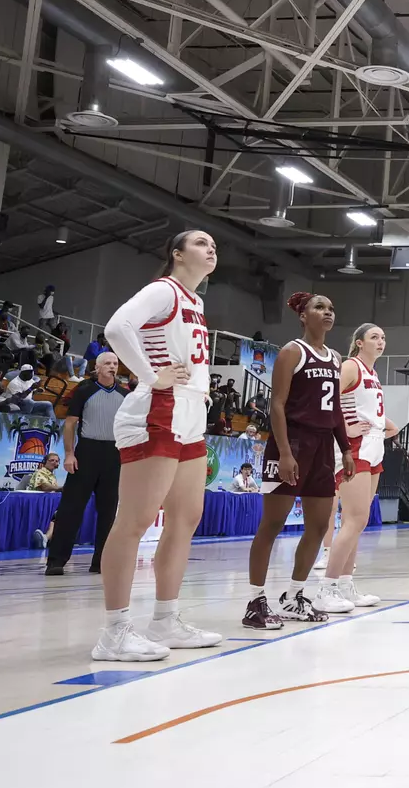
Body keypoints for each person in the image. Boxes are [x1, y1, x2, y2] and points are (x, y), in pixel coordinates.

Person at [94, 230, 224, 662]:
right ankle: (114, 632)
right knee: (135, 520)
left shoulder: (197, 301)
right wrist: (152, 376)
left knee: (187, 517)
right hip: (157, 409)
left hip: (190, 413)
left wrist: (199, 388)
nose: (211, 249)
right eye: (201, 243)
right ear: (176, 254)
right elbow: (116, 327)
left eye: (214, 246)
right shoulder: (163, 290)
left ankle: (165, 620)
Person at [246, 293, 355, 628]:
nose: (327, 312)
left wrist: (346, 449)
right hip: (291, 442)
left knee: (320, 525)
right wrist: (286, 453)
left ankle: (294, 596)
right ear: (302, 316)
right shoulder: (292, 351)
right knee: (272, 524)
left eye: (331, 308)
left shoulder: (336, 358)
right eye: (320, 307)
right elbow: (276, 405)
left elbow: (335, 409)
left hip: (323, 446)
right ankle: (254, 602)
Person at [324, 323, 398, 610]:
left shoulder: (373, 372)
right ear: (358, 343)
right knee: (354, 520)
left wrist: (384, 425)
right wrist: (345, 428)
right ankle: (326, 589)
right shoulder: (350, 367)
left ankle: (345, 586)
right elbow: (328, 399)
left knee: (358, 523)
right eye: (374, 337)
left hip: (374, 447)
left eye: (383, 337)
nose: (381, 342)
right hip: (355, 450)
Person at [44, 353, 129, 576]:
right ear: (97, 368)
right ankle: (56, 560)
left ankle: (101, 561)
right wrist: (69, 454)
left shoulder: (125, 394)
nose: (112, 366)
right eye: (108, 363)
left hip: (114, 454)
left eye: (115, 363)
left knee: (108, 511)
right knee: (71, 508)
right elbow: (70, 424)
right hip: (87, 452)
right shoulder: (84, 390)